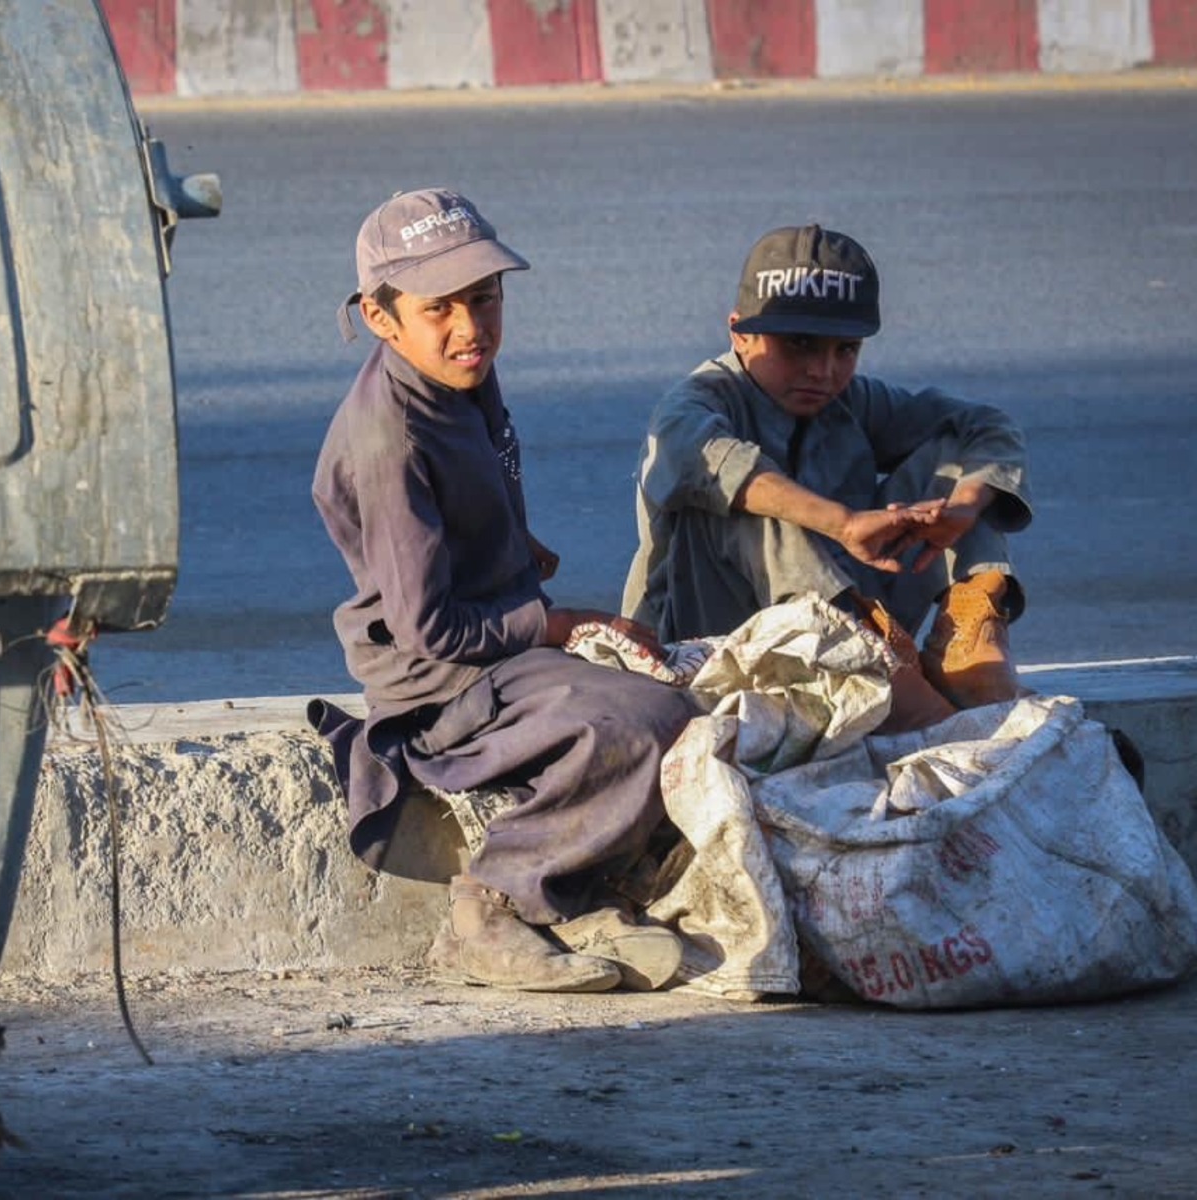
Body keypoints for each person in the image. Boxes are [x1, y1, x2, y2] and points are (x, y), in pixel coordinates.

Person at [312, 188, 698, 995]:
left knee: (687, 695)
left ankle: (577, 898)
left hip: (495, 636)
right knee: (641, 721)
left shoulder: (464, 376)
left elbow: (478, 485)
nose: (470, 327)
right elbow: (429, 629)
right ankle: (492, 907)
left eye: (485, 298)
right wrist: (559, 624)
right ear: (382, 320)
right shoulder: (392, 437)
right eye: (439, 308)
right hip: (442, 680)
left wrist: (515, 544)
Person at [622, 224, 1032, 730]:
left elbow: (988, 426)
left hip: (870, 637)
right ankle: (896, 692)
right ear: (739, 332)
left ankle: (968, 650)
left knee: (957, 457)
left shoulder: (851, 401)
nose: (823, 370)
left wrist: (965, 504)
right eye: (799, 345)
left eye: (845, 350)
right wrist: (844, 523)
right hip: (712, 648)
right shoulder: (695, 403)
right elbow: (715, 462)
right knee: (750, 501)